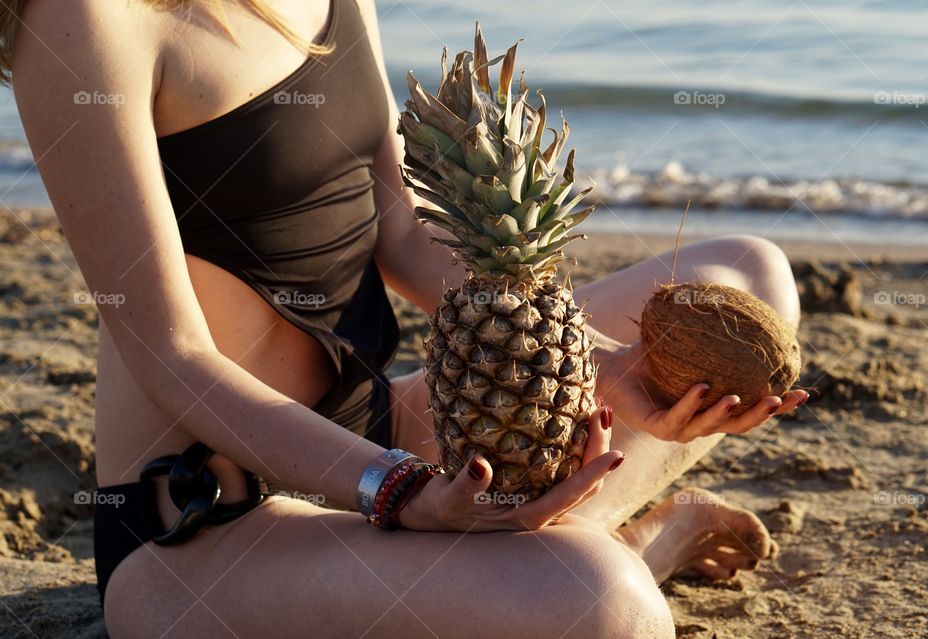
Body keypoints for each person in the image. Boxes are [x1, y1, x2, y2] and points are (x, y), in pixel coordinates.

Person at [8, 0, 807, 636]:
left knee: (748, 275)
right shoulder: (88, 17)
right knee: (611, 606)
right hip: (215, 526)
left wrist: (591, 361)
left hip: (382, 425)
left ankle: (518, 553)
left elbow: (400, 224)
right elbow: (172, 355)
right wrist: (392, 488)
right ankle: (632, 542)